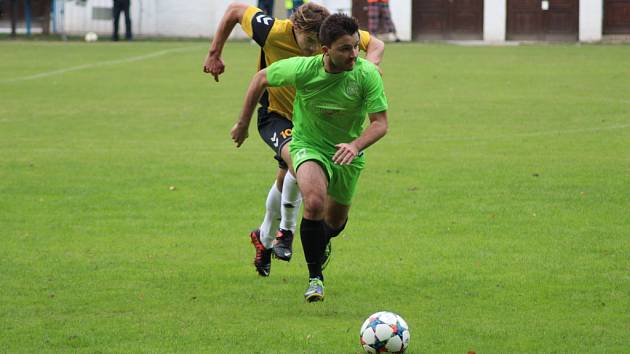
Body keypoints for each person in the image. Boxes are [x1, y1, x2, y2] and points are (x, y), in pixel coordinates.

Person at [203, 3, 384, 277]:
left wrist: (367, 68)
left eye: (317, 43)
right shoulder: (272, 30)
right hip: (276, 116)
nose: (311, 50)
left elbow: (376, 44)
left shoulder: (336, 38)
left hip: (310, 120)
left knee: (284, 177)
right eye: (308, 42)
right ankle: (285, 232)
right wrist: (215, 53)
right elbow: (234, 11)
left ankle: (263, 238)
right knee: (296, 164)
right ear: (295, 29)